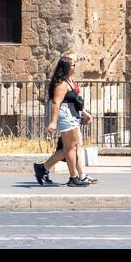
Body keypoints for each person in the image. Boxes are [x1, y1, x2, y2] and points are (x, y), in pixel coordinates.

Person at [35, 57, 96, 187]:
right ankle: (73, 178)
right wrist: (53, 122)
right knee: (70, 149)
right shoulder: (61, 84)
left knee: (71, 148)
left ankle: (43, 168)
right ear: (67, 67)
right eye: (73, 65)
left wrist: (84, 113)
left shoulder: (69, 81)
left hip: (73, 116)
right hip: (66, 117)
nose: (75, 67)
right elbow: (56, 103)